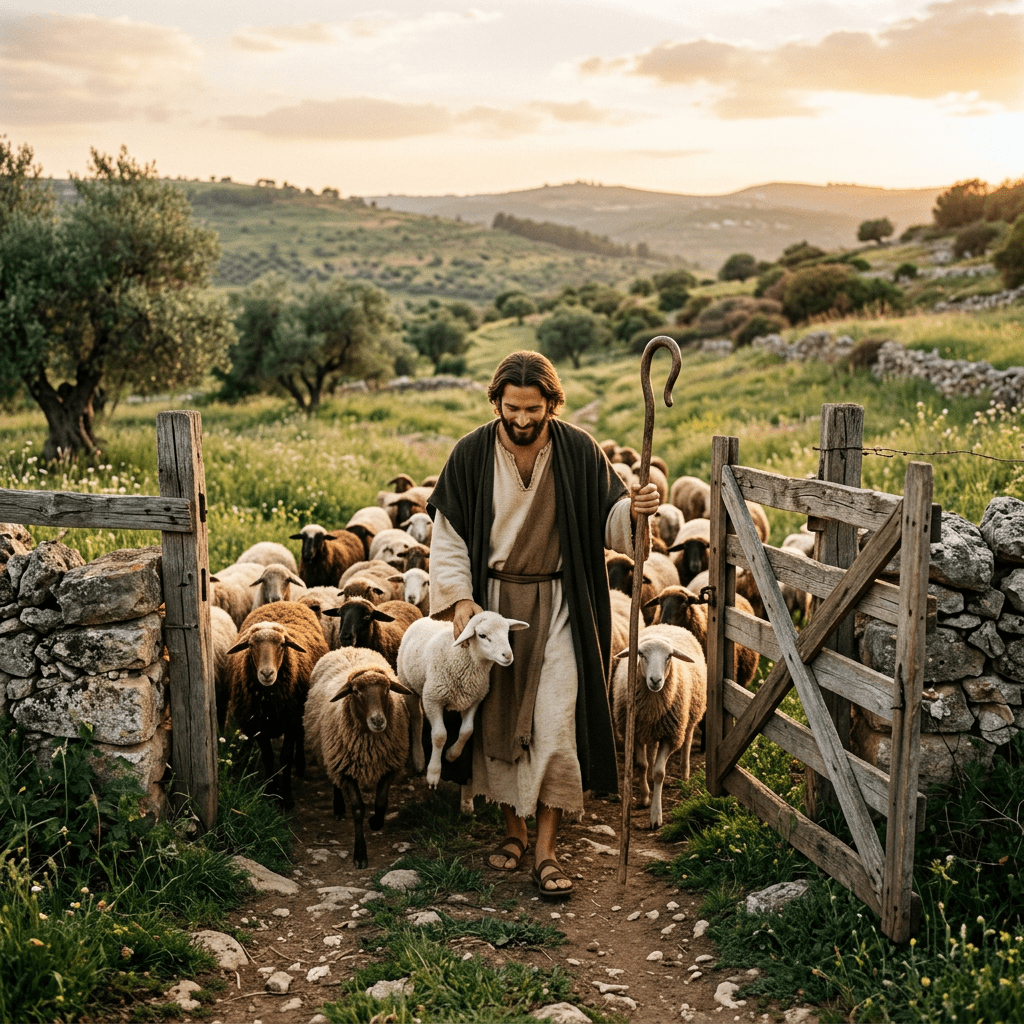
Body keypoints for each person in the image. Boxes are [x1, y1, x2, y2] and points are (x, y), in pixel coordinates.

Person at [427, 350, 660, 898]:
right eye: (513, 408)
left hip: (560, 602)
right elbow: (450, 538)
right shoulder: (470, 454)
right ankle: (513, 831)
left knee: (557, 718)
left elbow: (613, 520)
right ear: (497, 403)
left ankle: (547, 850)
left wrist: (639, 510)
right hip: (495, 607)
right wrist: (461, 603)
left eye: (534, 409)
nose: (523, 419)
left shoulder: (577, 450)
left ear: (552, 404)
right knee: (501, 724)